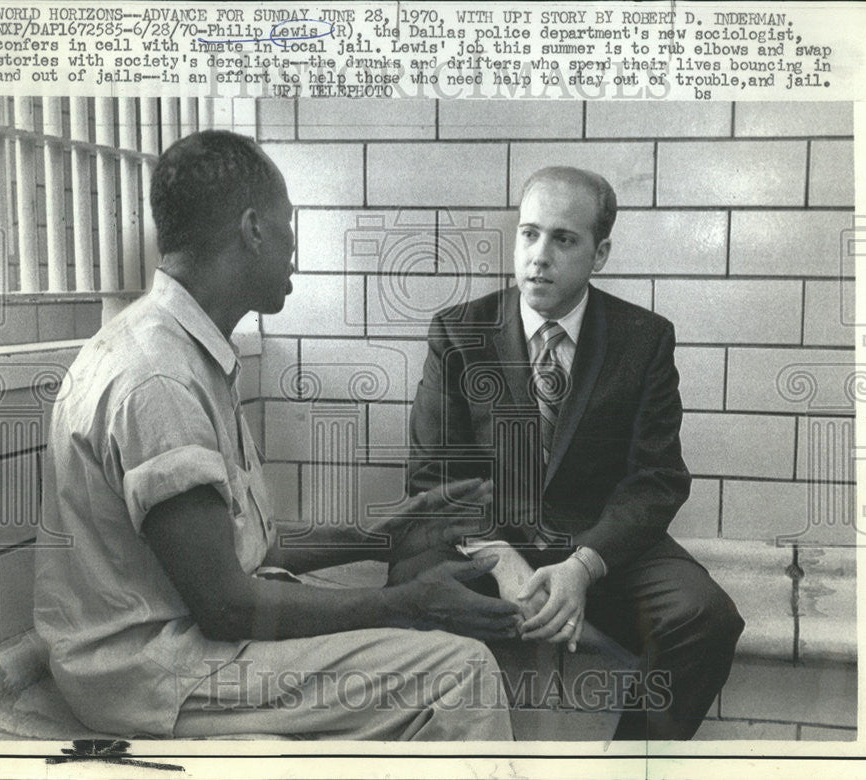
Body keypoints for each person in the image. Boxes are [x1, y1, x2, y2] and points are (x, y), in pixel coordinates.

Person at [33, 130, 520, 741]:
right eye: (289, 230)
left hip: (169, 647)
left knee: (417, 637)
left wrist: (380, 535)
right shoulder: (157, 379)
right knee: (459, 670)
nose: (294, 254)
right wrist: (409, 604)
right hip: (149, 672)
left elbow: (248, 550)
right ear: (254, 229)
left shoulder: (183, 350)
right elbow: (226, 605)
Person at [400, 166, 745, 740]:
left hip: (598, 551)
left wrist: (583, 566)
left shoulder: (644, 338)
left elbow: (656, 479)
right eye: (529, 234)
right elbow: (432, 475)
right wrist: (505, 565)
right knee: (406, 604)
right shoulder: (460, 332)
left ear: (600, 252)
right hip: (483, 545)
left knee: (704, 618)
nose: (539, 256)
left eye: (563, 239)